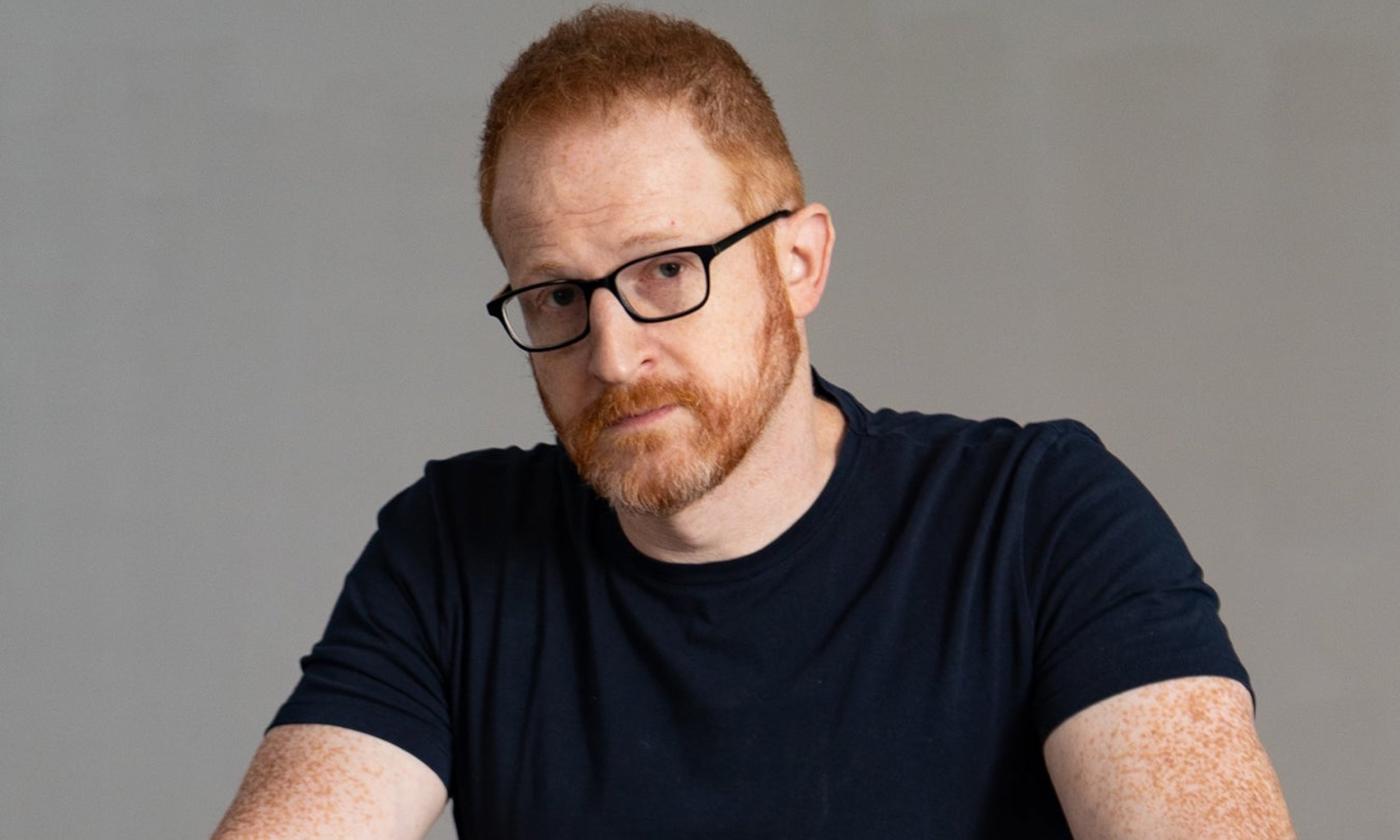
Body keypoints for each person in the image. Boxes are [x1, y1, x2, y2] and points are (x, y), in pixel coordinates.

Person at [213, 6, 1295, 838]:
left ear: (798, 260)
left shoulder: (1038, 519)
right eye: (554, 293)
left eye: (666, 268)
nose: (612, 351)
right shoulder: (452, 549)